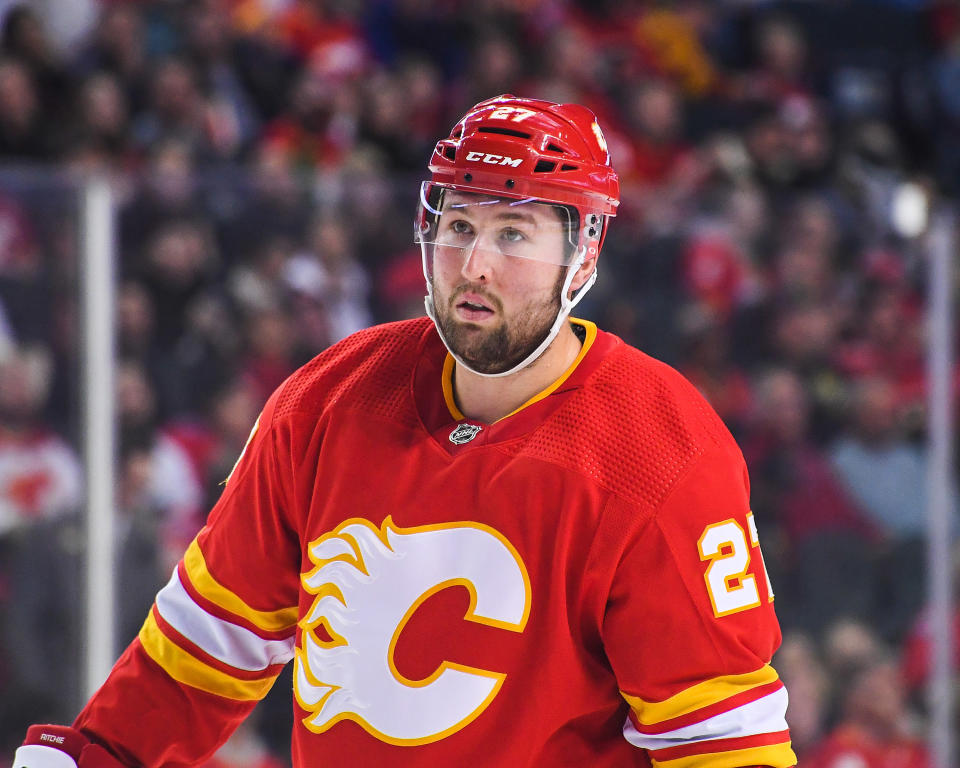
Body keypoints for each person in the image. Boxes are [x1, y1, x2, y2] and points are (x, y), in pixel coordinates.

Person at [15, 95, 796, 768]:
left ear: (584, 251)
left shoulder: (661, 451)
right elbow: (207, 647)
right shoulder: (328, 401)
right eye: (459, 224)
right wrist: (98, 755)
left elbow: (723, 743)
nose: (475, 264)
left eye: (515, 233)